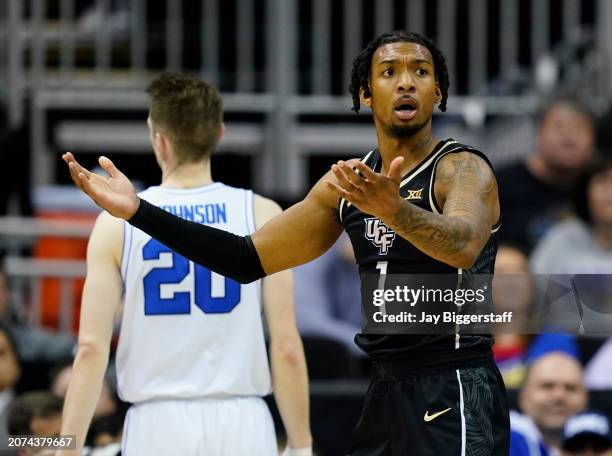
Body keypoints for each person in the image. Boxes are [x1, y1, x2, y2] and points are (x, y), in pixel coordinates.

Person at [64, 31, 509, 455]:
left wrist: (396, 211)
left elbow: (463, 245)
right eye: (390, 71)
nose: (407, 81)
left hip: (454, 383)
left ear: (439, 93)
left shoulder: (463, 169)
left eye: (421, 72)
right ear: (365, 93)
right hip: (386, 389)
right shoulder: (347, 185)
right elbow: (244, 258)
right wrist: (137, 211)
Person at [57, 72, 312, 455]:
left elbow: (92, 349)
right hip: (244, 421)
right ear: (220, 133)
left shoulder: (116, 223)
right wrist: (302, 445)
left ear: (158, 140)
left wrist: (67, 447)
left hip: (157, 422)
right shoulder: (262, 213)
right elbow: (287, 346)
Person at [496, 97, 595, 252]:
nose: (568, 136)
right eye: (558, 126)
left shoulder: (601, 186)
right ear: (538, 134)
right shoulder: (498, 185)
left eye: (579, 128)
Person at [511, 349, 588, 456]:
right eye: (547, 386)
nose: (559, 396)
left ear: (586, 398)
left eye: (570, 388)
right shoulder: (499, 439)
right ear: (523, 397)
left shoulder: (603, 444)